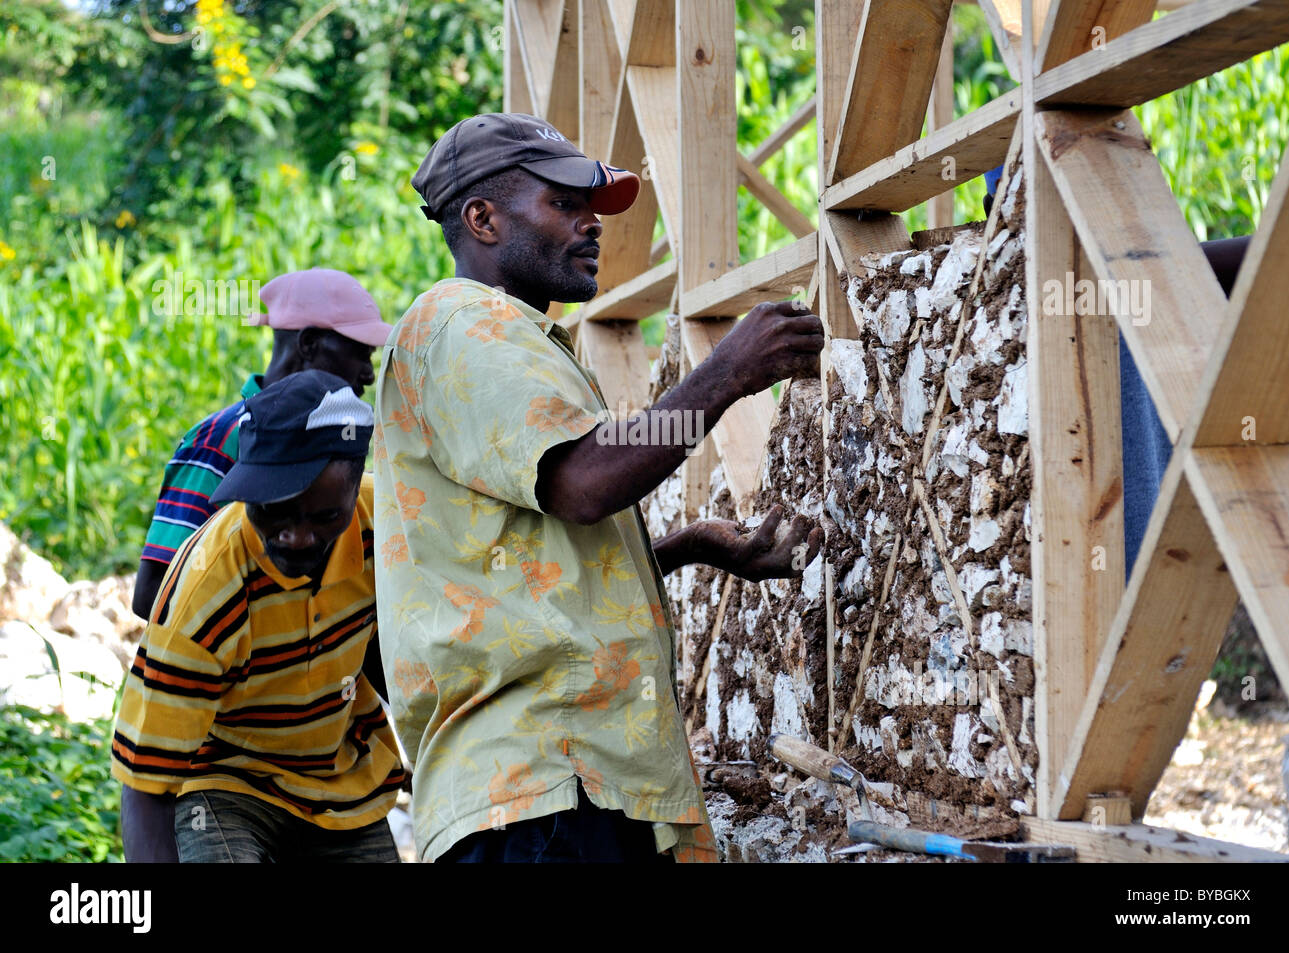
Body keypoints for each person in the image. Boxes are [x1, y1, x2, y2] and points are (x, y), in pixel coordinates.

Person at [375, 112, 824, 863]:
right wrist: (729, 372)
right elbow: (585, 482)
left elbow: (525, 553)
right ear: (481, 219)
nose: (591, 225)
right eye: (563, 205)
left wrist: (679, 549)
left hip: (561, 790)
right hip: (539, 796)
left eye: (594, 208)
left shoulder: (504, 338)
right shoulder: (464, 324)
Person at [112, 370, 406, 863]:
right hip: (224, 779)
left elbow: (384, 644)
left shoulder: (391, 530)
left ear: (356, 486)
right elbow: (146, 789)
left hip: (338, 783)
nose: (295, 537)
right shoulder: (206, 590)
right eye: (274, 512)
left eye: (324, 517)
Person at [132, 268, 393, 620]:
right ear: (309, 344)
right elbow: (155, 593)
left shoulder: (340, 436)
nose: (368, 374)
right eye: (360, 354)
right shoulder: (221, 439)